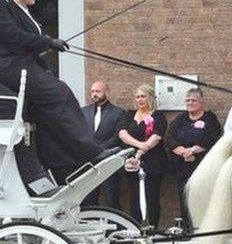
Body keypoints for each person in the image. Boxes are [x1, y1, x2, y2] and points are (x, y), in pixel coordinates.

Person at [0, 0, 117, 181]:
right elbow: (12, 36)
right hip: (4, 64)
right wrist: (48, 41)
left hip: (9, 62)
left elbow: (15, 36)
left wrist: (45, 47)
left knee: (51, 98)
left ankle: (57, 159)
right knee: (59, 93)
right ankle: (88, 152)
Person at [165, 88, 221, 231]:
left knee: (203, 199)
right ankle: (187, 229)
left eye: (194, 100)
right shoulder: (180, 119)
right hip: (182, 168)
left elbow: (212, 138)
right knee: (184, 201)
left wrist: (193, 150)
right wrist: (183, 152)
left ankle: (204, 230)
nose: (190, 103)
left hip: (202, 167)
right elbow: (169, 139)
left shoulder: (210, 118)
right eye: (188, 100)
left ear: (201, 102)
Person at [117, 84, 167, 227]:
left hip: (152, 162)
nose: (140, 99)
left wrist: (139, 154)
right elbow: (122, 133)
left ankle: (152, 227)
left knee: (152, 196)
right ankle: (136, 226)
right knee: (134, 196)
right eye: (138, 96)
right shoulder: (129, 114)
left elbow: (156, 137)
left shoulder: (158, 115)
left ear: (150, 97)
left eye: (143, 96)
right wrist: (139, 146)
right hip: (131, 162)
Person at [81, 81, 125, 208]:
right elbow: (80, 133)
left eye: (98, 91)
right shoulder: (84, 111)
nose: (95, 94)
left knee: (112, 197)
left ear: (107, 92)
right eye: (93, 91)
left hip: (108, 161)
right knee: (88, 198)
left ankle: (116, 227)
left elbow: (117, 137)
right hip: (88, 162)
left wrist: (100, 150)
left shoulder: (118, 112)